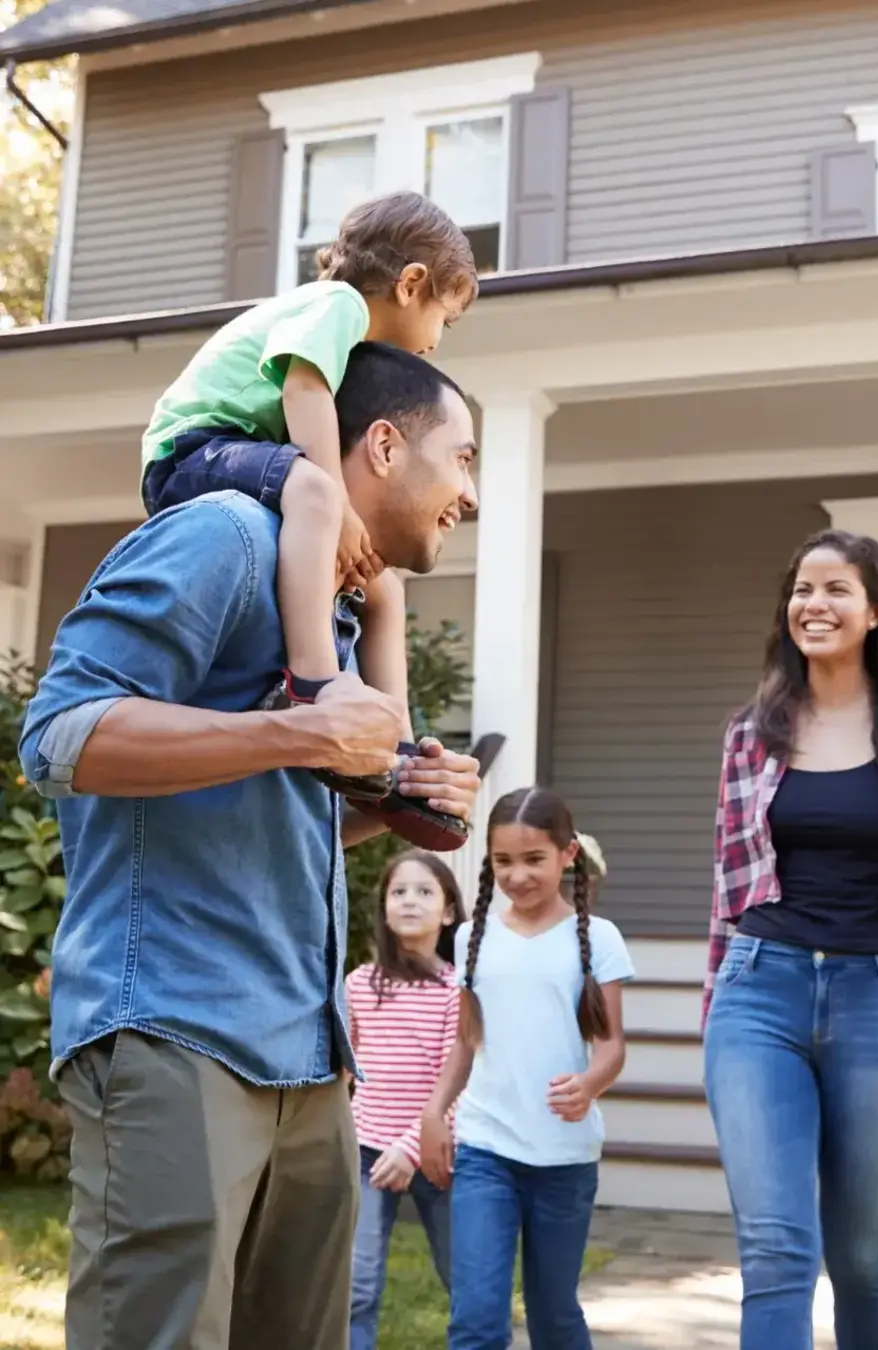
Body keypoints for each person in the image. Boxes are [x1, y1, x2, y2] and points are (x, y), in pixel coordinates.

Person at [18, 343, 482, 1350]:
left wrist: (396, 800)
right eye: (464, 459)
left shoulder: (333, 609)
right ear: (388, 444)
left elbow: (270, 805)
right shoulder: (223, 535)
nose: (471, 493)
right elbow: (58, 736)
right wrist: (300, 732)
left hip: (311, 1057)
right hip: (178, 1029)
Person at [702, 528, 878, 1350]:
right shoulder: (750, 734)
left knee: (861, 1260)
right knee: (776, 1250)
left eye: (834, 590)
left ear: (875, 611)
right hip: (761, 994)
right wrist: (718, 1008)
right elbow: (725, 889)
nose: (812, 604)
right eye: (800, 589)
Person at [141, 190, 477, 820]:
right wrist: (337, 502)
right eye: (444, 318)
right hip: (191, 451)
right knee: (315, 490)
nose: (436, 340)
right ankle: (315, 685)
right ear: (411, 284)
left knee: (384, 589)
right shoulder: (336, 305)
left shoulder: (340, 330)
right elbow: (303, 388)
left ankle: (395, 750)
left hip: (234, 454)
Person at [420, 787, 635, 1350]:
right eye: (503, 861)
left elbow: (612, 1046)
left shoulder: (599, 939)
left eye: (533, 859)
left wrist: (589, 1084)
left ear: (568, 855)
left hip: (564, 1159)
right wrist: (434, 1113)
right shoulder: (471, 937)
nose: (518, 875)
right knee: (475, 1318)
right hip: (486, 1150)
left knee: (554, 1316)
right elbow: (467, 1044)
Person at [345, 850, 465, 1349]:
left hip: (437, 1155)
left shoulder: (457, 990)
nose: (409, 902)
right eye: (398, 892)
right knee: (356, 1284)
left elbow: (457, 1083)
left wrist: (411, 1149)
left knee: (467, 1279)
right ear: (384, 907)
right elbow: (342, 1073)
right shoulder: (358, 985)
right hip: (366, 1153)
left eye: (424, 892)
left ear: (449, 912)